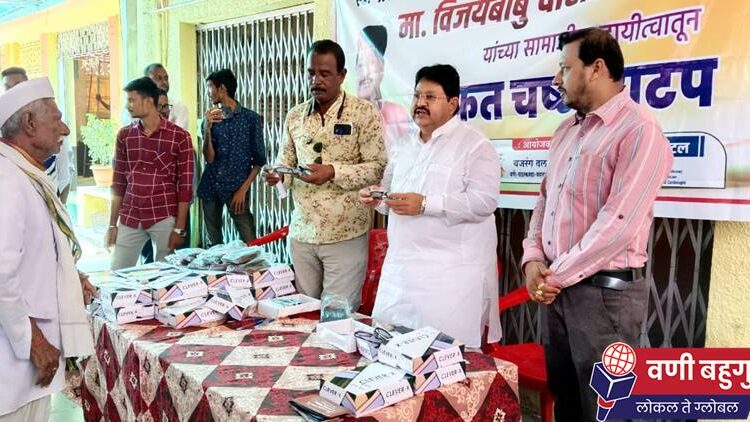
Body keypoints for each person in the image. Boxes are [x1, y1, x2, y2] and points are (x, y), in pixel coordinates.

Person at [521, 28, 674, 421]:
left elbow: (618, 223)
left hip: (605, 298)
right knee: (567, 401)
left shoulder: (639, 130)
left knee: (606, 409)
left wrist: (554, 276)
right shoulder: (566, 131)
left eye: (564, 68)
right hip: (557, 290)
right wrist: (533, 258)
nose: (557, 79)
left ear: (596, 68)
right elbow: (545, 199)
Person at [359, 64, 502, 348]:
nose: (420, 103)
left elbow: (484, 201)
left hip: (449, 280)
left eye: (430, 97)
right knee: (389, 352)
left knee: (441, 360)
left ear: (453, 103)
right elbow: (390, 197)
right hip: (400, 274)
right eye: (417, 96)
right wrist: (378, 198)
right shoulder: (402, 145)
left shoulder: (475, 145)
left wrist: (425, 204)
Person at [265, 40, 386, 310]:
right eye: (311, 73)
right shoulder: (295, 116)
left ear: (342, 75)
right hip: (302, 234)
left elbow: (377, 167)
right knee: (303, 314)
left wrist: (333, 171)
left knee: (337, 318)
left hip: (345, 235)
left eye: (324, 73)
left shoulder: (363, 113)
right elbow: (286, 162)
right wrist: (278, 176)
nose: (316, 80)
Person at [0, 77, 95, 420]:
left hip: (23, 367)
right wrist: (33, 342)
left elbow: (35, 247)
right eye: (56, 119)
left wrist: (69, 275)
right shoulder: (7, 180)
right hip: (14, 367)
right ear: (29, 123)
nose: (65, 129)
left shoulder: (23, 172)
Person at [107, 77, 194, 270]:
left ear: (148, 101)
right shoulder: (124, 135)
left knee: (165, 277)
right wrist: (112, 225)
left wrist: (179, 228)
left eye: (131, 100)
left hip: (164, 215)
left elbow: (185, 187)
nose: (127, 106)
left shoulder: (180, 137)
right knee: (117, 272)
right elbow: (118, 183)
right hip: (131, 214)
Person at [198, 69, 266, 245]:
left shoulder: (250, 119)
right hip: (211, 186)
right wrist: (207, 130)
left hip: (237, 188)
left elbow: (259, 161)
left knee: (250, 241)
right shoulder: (210, 119)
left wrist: (243, 190)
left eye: (210, 87)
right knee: (214, 244)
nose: (208, 93)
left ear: (222, 88)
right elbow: (209, 159)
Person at [2, 67, 71, 202]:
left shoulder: (54, 133)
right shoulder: (7, 183)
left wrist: (58, 209)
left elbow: (64, 178)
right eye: (7, 88)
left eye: (17, 87)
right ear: (29, 123)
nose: (65, 130)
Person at [356, 25, 411, 153]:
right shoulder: (346, 115)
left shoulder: (398, 114)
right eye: (360, 65)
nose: (365, 73)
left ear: (382, 67)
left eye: (371, 63)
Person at [144, 63, 189, 130]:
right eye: (159, 78)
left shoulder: (179, 106)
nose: (164, 82)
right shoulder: (138, 107)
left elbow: (179, 134)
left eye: (166, 78)